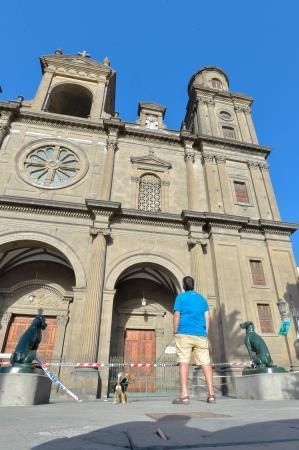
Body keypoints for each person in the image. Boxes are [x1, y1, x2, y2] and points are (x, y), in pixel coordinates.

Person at [172, 276, 215, 404]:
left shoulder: (180, 297)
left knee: (184, 362)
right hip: (201, 334)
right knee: (206, 363)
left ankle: (184, 395)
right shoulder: (202, 299)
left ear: (184, 286)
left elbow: (176, 314)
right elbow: (207, 317)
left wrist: (175, 331)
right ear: (193, 285)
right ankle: (211, 394)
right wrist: (205, 332)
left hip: (184, 333)